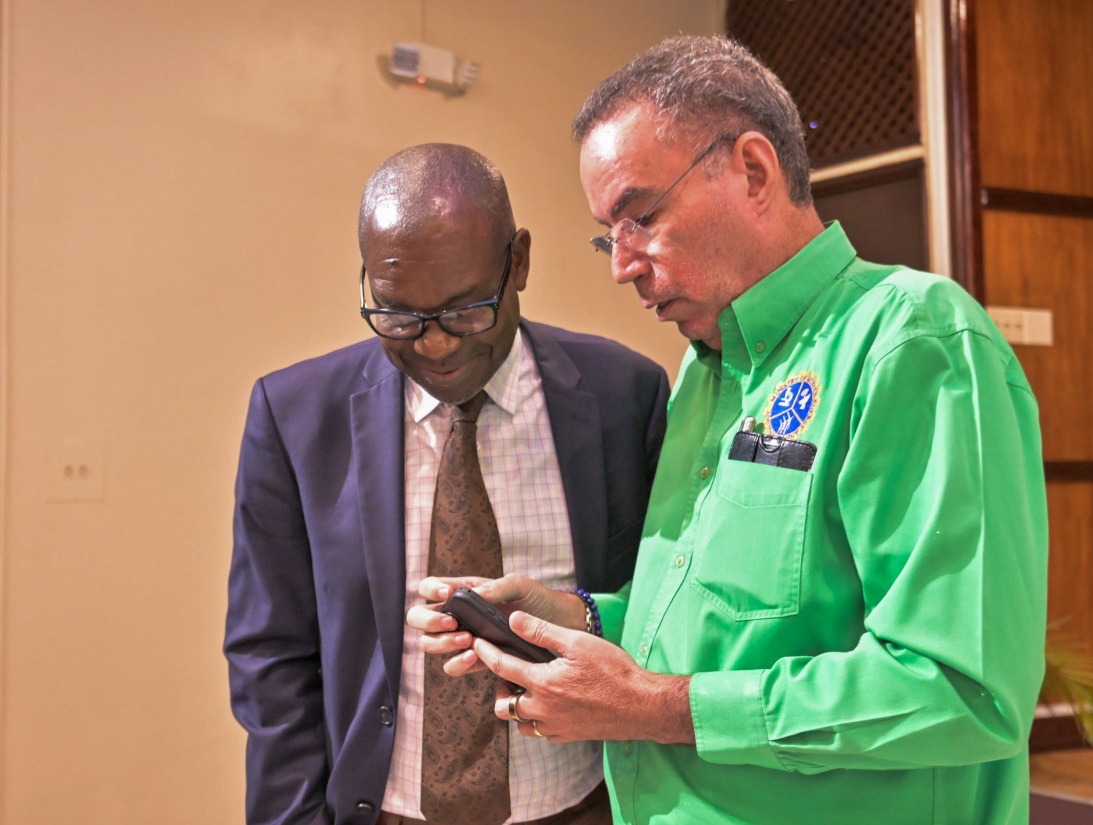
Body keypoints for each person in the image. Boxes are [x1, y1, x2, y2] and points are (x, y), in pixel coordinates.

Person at [409, 36, 1048, 825]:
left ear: (753, 170)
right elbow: (732, 618)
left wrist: (652, 708)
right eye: (609, 234)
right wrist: (580, 616)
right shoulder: (704, 374)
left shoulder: (913, 344)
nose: (622, 263)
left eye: (640, 216)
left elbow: (963, 690)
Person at [224, 143, 669, 825]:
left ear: (517, 262)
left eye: (466, 312)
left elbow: (664, 610)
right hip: (389, 810)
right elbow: (273, 655)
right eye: (399, 315)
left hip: (584, 804)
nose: (434, 345)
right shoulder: (295, 417)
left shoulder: (623, 394)